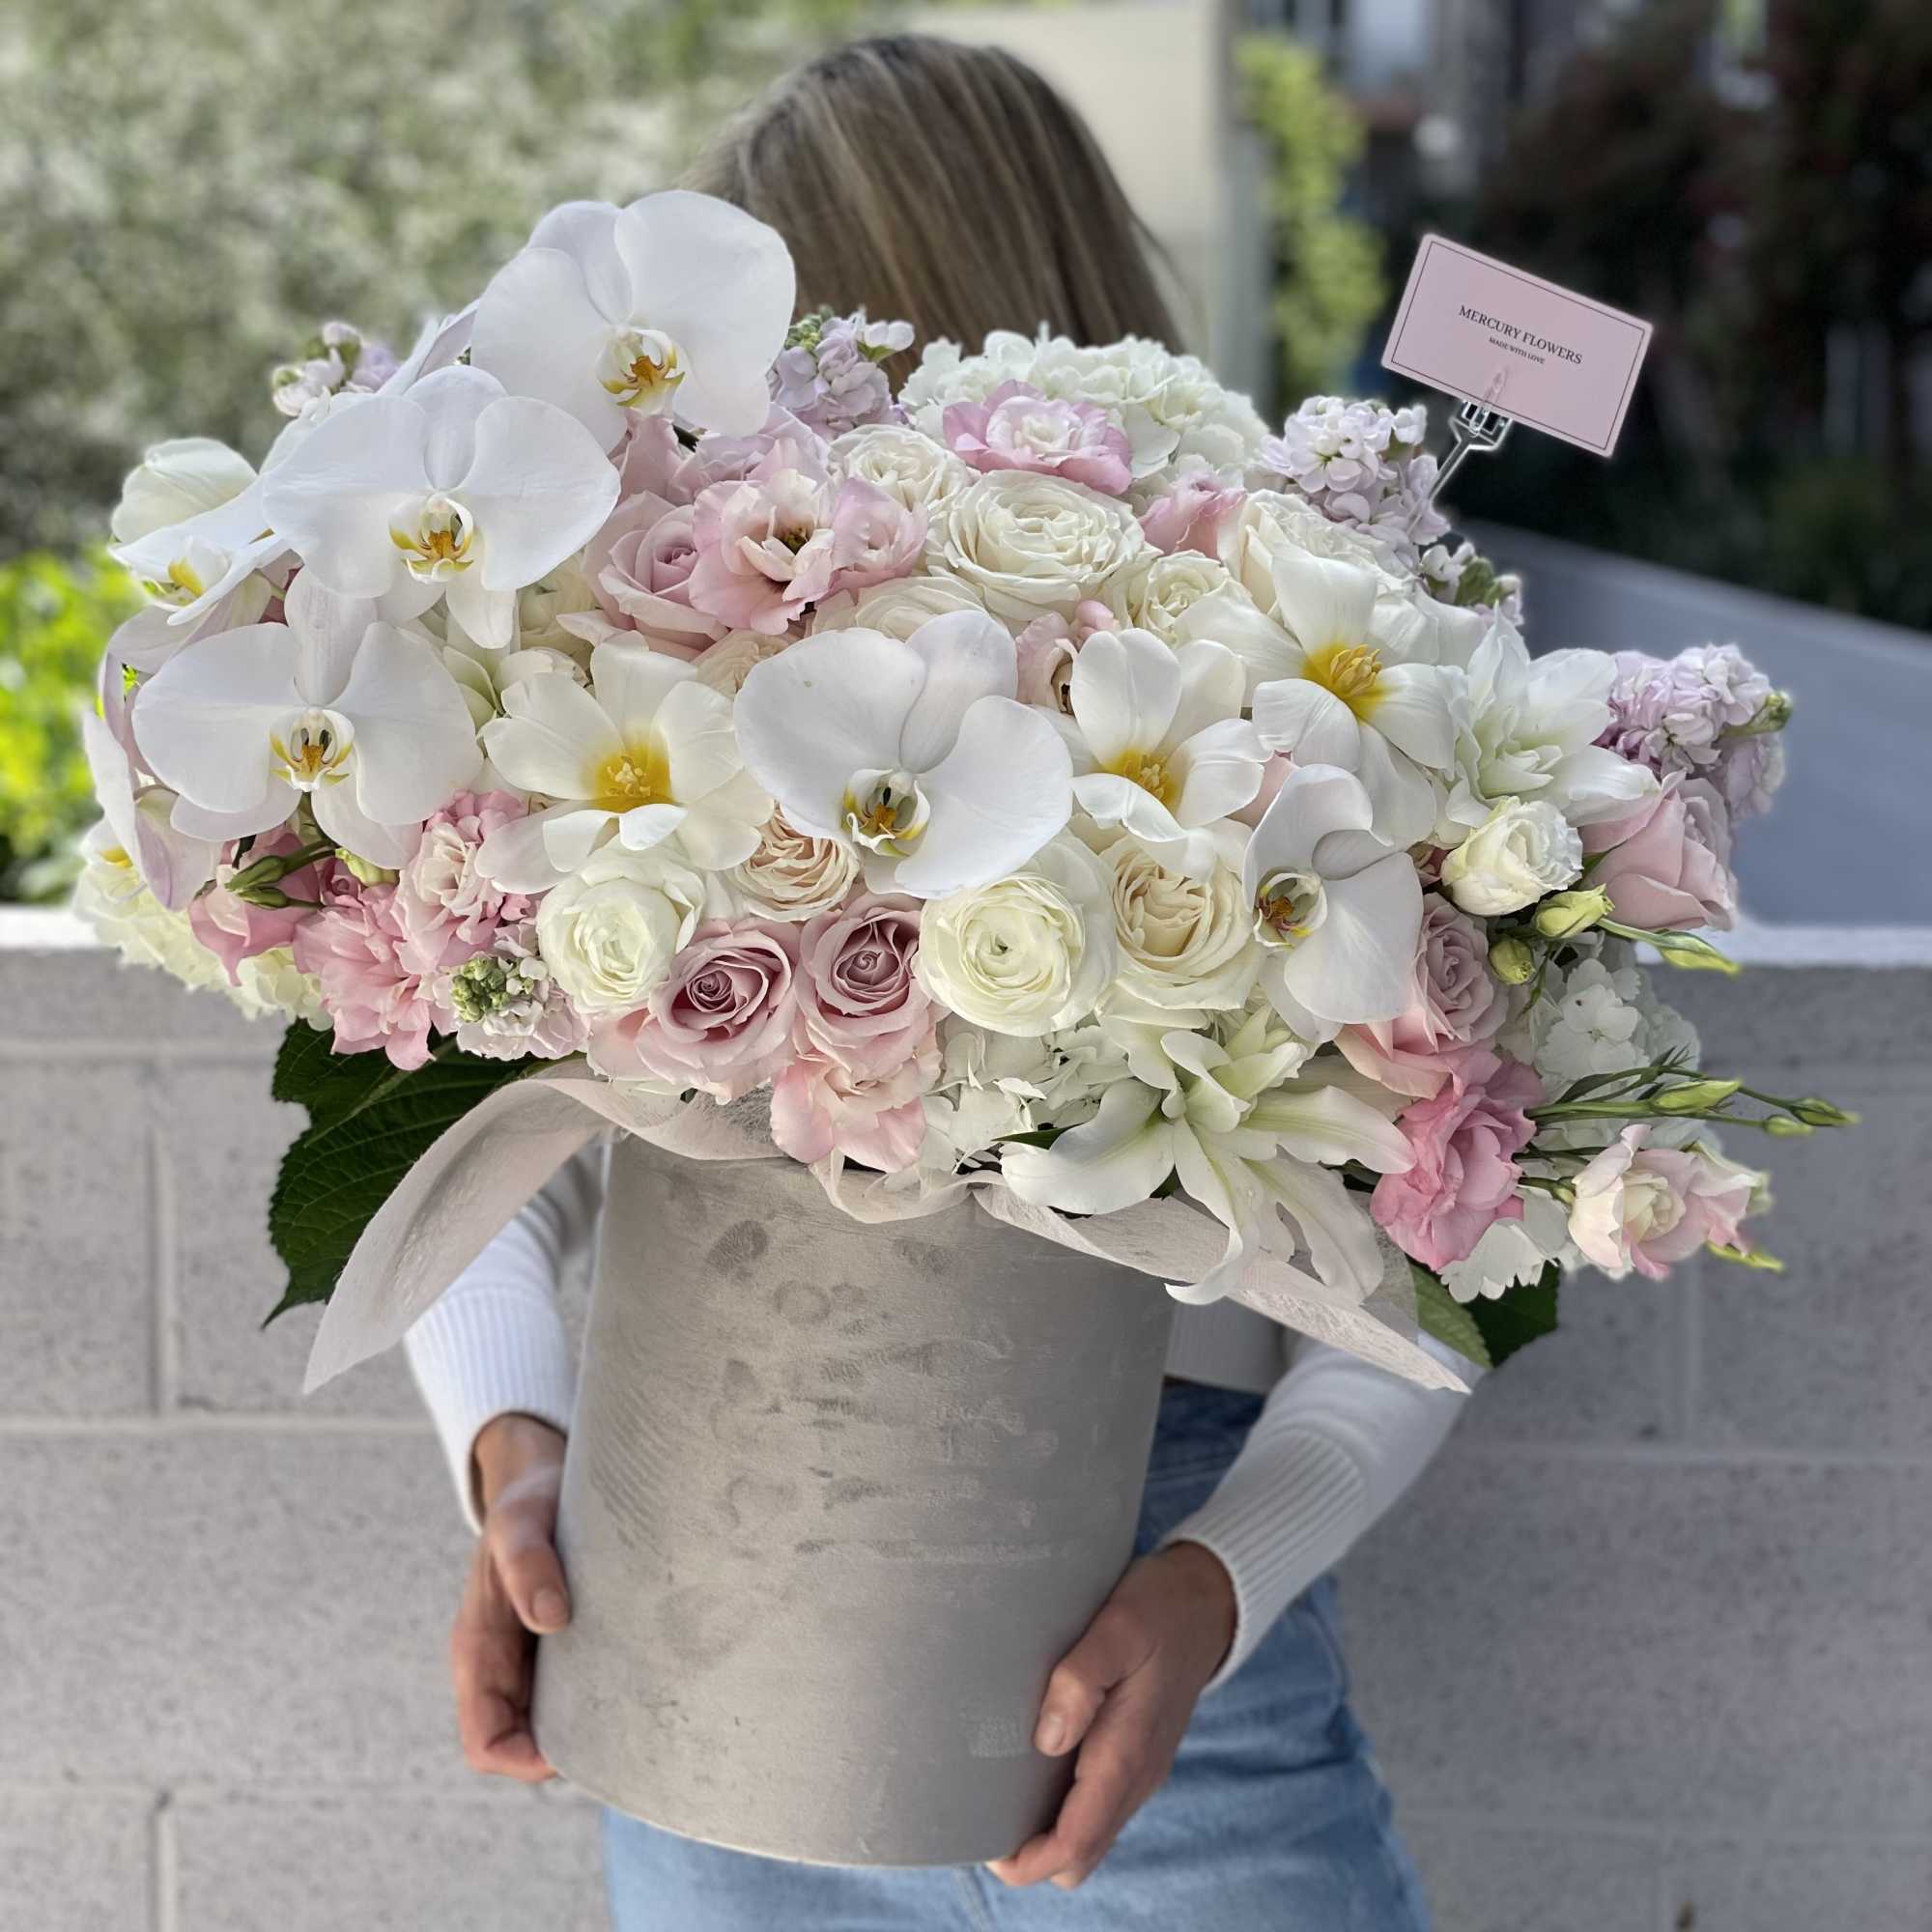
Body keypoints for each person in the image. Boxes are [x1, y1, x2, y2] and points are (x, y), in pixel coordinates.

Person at [406, 34, 1473, 1930]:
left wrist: (516, 1441)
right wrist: (1219, 1578)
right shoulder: (680, 659)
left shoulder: (1277, 659)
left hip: (808, 1605)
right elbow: (494, 1102)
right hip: (999, 1632)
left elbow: (1467, 1186)